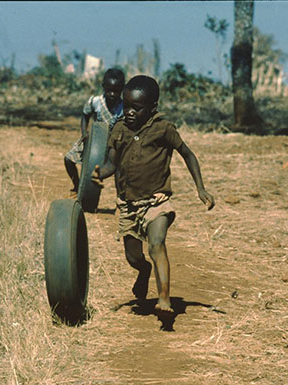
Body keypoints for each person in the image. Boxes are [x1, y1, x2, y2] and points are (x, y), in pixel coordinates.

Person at [91, 76, 215, 320]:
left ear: (152, 108)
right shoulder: (119, 129)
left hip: (157, 202)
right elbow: (112, 164)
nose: (129, 112)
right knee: (133, 256)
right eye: (126, 106)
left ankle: (164, 297)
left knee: (156, 243)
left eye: (136, 108)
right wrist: (99, 175)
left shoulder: (163, 128)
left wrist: (200, 189)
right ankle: (144, 270)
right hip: (128, 205)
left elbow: (188, 155)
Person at [65, 68, 125, 196]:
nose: (113, 94)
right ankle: (76, 186)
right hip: (94, 139)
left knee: (118, 167)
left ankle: (121, 199)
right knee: (68, 159)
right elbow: (85, 115)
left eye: (116, 91)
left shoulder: (123, 107)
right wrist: (84, 133)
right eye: (109, 90)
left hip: (112, 142)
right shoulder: (95, 101)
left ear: (122, 90)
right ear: (104, 87)